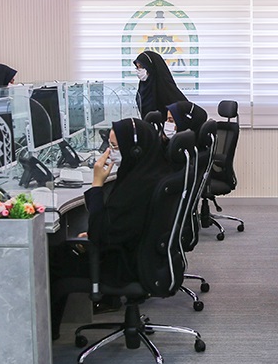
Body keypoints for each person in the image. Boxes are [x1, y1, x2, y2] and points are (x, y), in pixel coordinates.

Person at [48, 117, 174, 338]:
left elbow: (98, 236)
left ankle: (49, 336)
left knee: (53, 260)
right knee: (65, 250)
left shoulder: (136, 188)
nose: (109, 151)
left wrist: (97, 184)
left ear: (134, 150)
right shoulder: (151, 173)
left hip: (124, 267)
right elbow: (116, 226)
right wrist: (95, 233)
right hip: (145, 258)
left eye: (114, 147)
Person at [134, 51, 185, 117]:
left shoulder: (165, 88)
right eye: (137, 67)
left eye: (141, 66)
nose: (139, 70)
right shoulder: (143, 87)